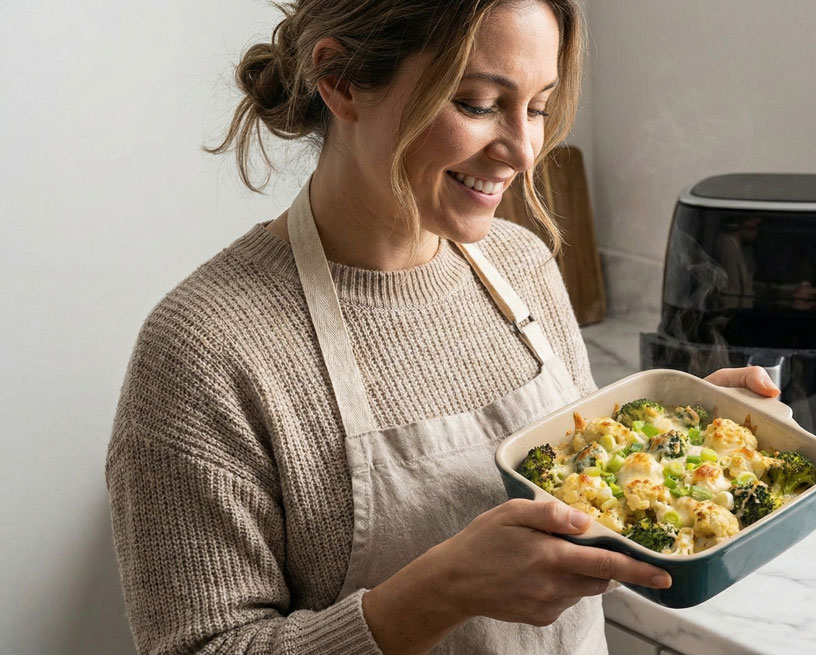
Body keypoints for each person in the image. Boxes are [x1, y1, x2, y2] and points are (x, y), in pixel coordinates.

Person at [105, 1, 781, 653]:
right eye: (479, 104)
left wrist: (674, 439)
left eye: (539, 106)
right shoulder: (203, 351)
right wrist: (441, 590)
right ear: (340, 81)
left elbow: (577, 488)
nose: (522, 150)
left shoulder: (522, 263)